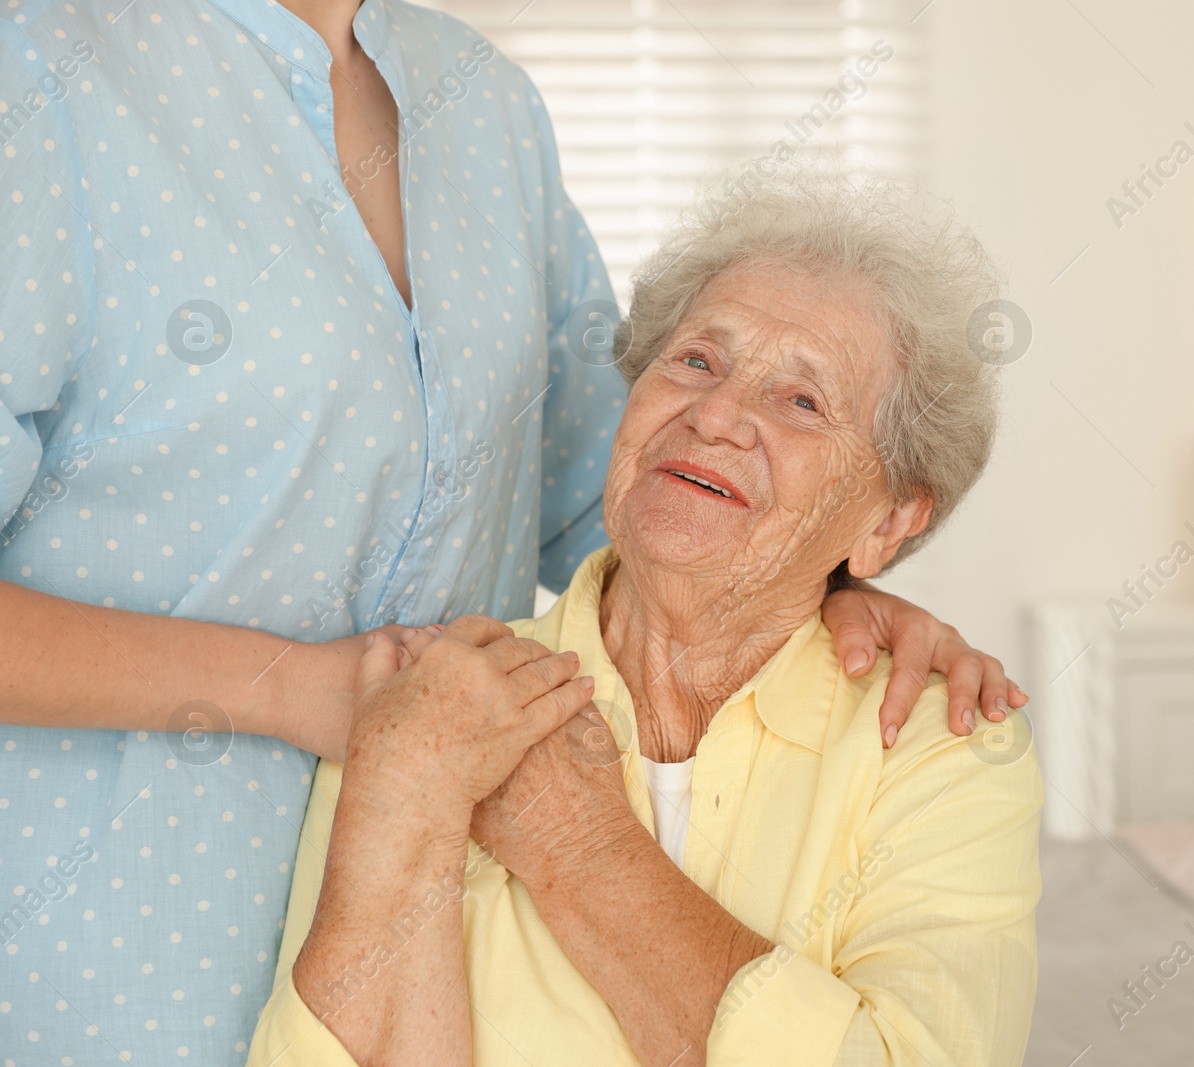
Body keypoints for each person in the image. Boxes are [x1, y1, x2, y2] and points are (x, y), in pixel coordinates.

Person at [0, 3, 1023, 1063]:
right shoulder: (40, 67)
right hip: (108, 939)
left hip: (445, 926)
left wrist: (845, 581)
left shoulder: (482, 100)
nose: (726, 403)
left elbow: (618, 477)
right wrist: (305, 689)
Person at [247, 169, 1043, 1067]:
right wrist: (406, 779)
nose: (716, 413)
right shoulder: (433, 713)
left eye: (802, 401)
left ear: (890, 520)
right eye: (697, 359)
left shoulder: (946, 748)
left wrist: (578, 841)